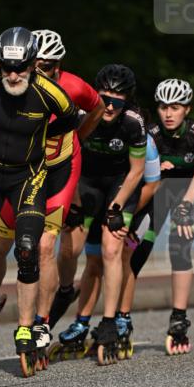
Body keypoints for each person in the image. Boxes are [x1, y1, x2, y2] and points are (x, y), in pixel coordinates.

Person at [0, 26, 80, 376]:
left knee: (27, 250)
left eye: (20, 67)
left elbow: (70, 121)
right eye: (6, 67)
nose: (13, 75)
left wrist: (41, 133)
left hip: (28, 176)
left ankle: (25, 326)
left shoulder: (51, 95)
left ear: (32, 64)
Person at [0, 29, 104, 367]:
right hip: (25, 170)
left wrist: (77, 135)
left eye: (50, 66)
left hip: (62, 167)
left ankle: (41, 324)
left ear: (59, 65)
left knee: (43, 247)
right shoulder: (16, 83)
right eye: (37, 65)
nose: (42, 72)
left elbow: (96, 108)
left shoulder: (74, 86)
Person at [51, 64, 148, 365]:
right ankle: (66, 296)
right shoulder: (82, 115)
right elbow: (66, 159)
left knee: (111, 249)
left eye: (118, 101)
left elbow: (137, 171)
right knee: (71, 249)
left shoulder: (134, 122)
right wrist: (75, 202)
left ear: (128, 101)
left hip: (120, 184)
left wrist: (117, 208)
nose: (110, 106)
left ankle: (108, 321)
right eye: (105, 98)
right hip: (87, 183)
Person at [50, 131, 160, 362]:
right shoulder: (90, 128)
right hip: (106, 203)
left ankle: (122, 319)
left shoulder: (143, 139)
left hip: (137, 206)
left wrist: (125, 215)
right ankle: (81, 323)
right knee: (93, 263)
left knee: (123, 256)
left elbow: (152, 185)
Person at [127, 78, 194, 355]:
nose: (168, 113)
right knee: (135, 250)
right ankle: (121, 319)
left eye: (175, 107)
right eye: (164, 107)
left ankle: (179, 319)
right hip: (159, 193)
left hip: (191, 193)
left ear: (187, 109)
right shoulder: (150, 134)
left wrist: (186, 205)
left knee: (179, 247)